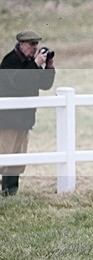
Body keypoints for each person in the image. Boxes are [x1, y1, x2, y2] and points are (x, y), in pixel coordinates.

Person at [0, 30, 56, 196]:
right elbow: (19, 83)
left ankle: (10, 192)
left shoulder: (31, 63)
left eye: (36, 44)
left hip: (24, 120)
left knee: (18, 159)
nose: (35, 48)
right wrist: (36, 64)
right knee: (3, 156)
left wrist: (49, 66)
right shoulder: (10, 61)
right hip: (6, 120)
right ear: (21, 44)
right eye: (32, 44)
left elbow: (44, 84)